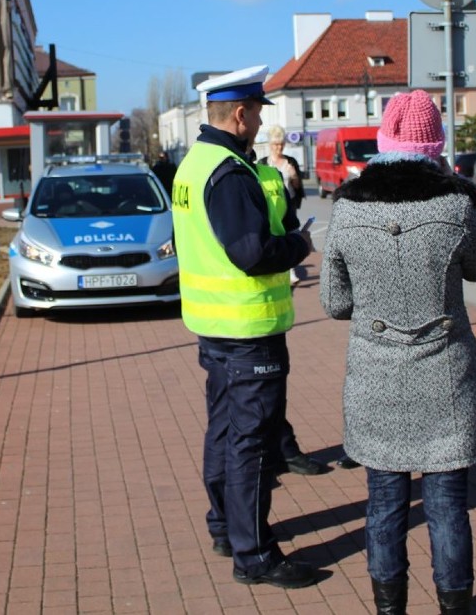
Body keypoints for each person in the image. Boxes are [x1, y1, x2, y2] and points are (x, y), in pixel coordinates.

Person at [319, 90, 476, 615]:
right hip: (446, 372)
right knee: (447, 507)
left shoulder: (349, 210)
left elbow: (334, 303)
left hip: (376, 377)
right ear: (435, 145)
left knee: (384, 506)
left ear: (384, 140)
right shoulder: (456, 205)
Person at [171, 65, 317, 589]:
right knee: (251, 442)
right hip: (247, 326)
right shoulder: (230, 172)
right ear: (240, 114)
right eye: (256, 111)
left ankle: (224, 529)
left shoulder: (195, 164)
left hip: (215, 323)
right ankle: (253, 554)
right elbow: (252, 254)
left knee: (226, 430)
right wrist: (300, 244)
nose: (259, 121)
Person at [246, 144, 328, 477]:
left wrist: (295, 239)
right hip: (247, 311)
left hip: (267, 305)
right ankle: (267, 461)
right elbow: (254, 251)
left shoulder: (269, 174)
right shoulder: (224, 176)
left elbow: (288, 218)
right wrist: (299, 246)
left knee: (270, 394)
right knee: (253, 403)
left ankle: (280, 451)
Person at [258, 125, 306, 285]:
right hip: (271, 206)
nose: (279, 147)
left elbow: (298, 187)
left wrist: (294, 177)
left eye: (281, 144)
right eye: (275, 144)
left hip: (288, 204)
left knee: (290, 234)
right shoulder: (263, 163)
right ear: (270, 145)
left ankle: (291, 270)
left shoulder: (290, 162)